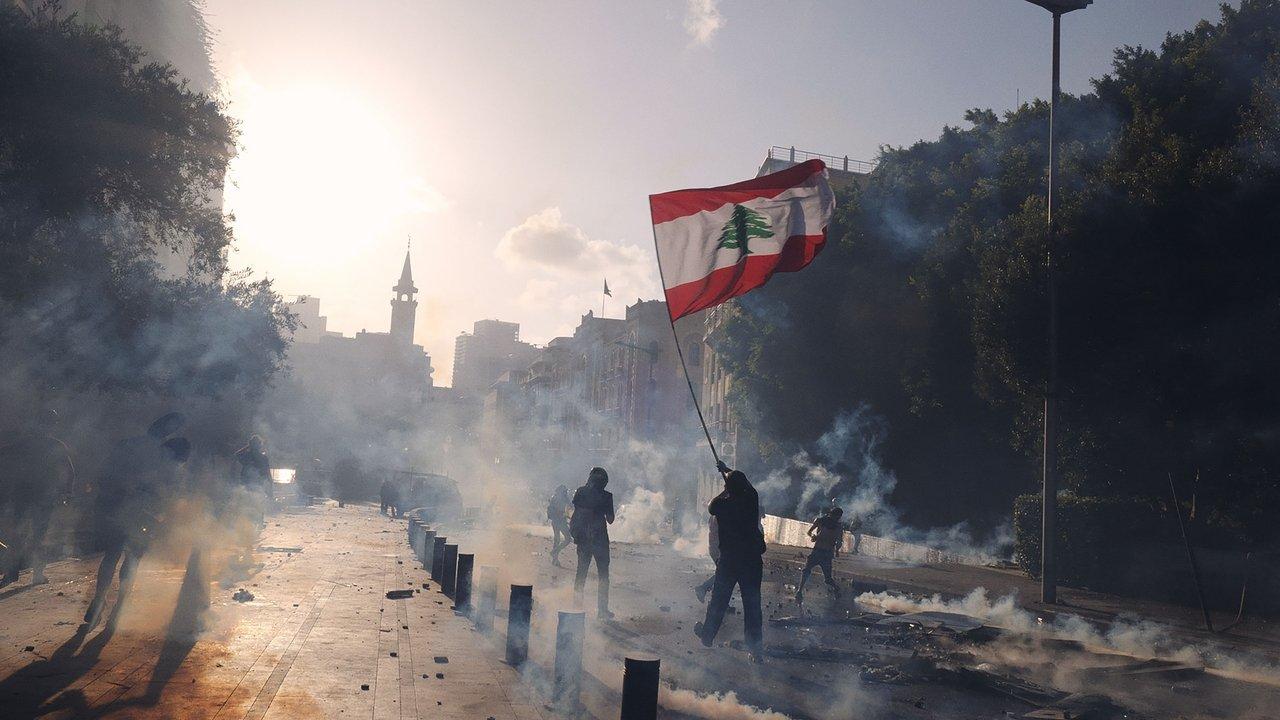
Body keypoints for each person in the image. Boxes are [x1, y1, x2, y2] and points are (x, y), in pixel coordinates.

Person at [84, 412, 187, 630]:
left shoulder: (126, 445)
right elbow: (166, 487)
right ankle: (119, 608)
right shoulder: (163, 454)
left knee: (111, 555)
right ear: (167, 432)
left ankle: (99, 599)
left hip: (116, 506)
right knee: (132, 558)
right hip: (143, 512)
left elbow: (105, 473)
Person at [694, 461, 765, 661]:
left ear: (728, 489)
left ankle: (707, 636)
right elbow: (748, 485)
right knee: (752, 605)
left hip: (730, 560)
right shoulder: (751, 499)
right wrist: (727, 472)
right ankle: (755, 649)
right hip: (751, 560)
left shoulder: (722, 504)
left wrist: (726, 487)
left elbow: (711, 505)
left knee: (719, 601)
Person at [0, 409, 76, 587]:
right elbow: (69, 472)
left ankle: (10, 574)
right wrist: (67, 493)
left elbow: (5, 459)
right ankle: (37, 575)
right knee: (39, 536)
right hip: (43, 498)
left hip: (22, 497)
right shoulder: (55, 445)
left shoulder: (23, 444)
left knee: (17, 535)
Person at [570, 467, 614, 619]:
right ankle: (602, 610)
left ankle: (576, 607)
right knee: (603, 576)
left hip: (583, 539)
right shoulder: (607, 496)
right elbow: (610, 519)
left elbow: (575, 513)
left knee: (581, 574)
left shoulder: (581, 492)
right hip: (600, 540)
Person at [796, 506, 844, 603]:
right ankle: (799, 591)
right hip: (817, 551)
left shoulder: (838, 527)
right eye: (836, 517)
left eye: (838, 518)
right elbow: (809, 532)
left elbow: (839, 541)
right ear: (832, 515)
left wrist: (837, 550)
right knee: (806, 570)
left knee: (827, 579)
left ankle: (836, 588)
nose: (836, 519)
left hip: (827, 554)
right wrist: (813, 536)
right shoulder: (820, 521)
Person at [693, 514, 719, 603]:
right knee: (724, 574)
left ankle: (720, 602)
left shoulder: (716, 513)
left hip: (715, 548)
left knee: (724, 575)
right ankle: (703, 588)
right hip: (720, 549)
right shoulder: (723, 514)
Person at [547, 485, 571, 567]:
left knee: (556, 539)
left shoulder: (554, 497)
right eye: (565, 491)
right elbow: (570, 506)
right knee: (568, 539)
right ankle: (554, 552)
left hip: (554, 521)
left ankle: (555, 559)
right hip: (561, 521)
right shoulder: (563, 498)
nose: (566, 493)